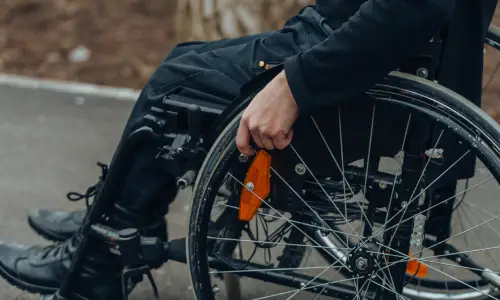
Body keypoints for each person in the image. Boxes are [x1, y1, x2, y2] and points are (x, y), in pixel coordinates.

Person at [0, 0, 497, 299]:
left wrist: (294, 87)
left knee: (176, 85)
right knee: (188, 61)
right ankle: (112, 223)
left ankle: (95, 267)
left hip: (361, 74)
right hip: (379, 53)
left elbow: (415, 7)